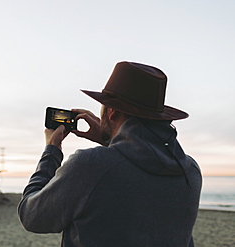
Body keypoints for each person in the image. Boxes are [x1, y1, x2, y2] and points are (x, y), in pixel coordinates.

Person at [18, 61, 202, 247]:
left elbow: (31, 216)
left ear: (111, 112)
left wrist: (51, 150)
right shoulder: (189, 170)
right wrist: (111, 141)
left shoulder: (91, 165)